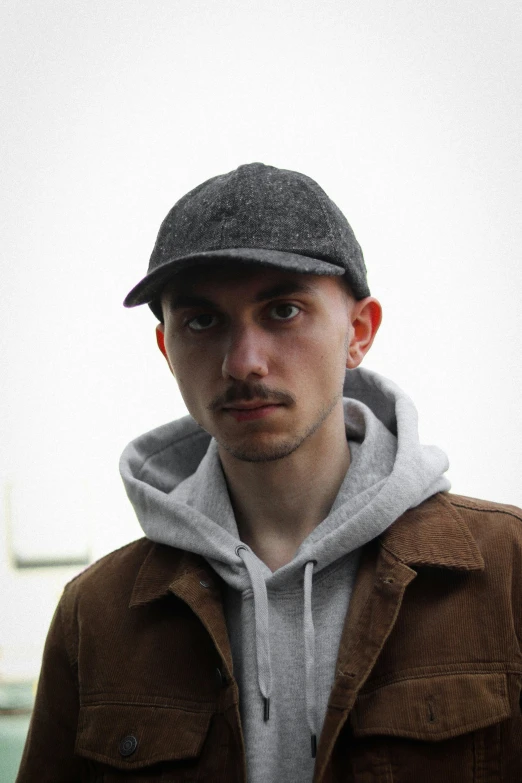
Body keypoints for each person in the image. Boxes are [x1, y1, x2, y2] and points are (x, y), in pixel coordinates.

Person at [17, 163, 522, 783]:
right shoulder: (95, 616)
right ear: (166, 349)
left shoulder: (508, 570)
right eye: (202, 321)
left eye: (283, 310)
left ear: (359, 332)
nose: (244, 362)